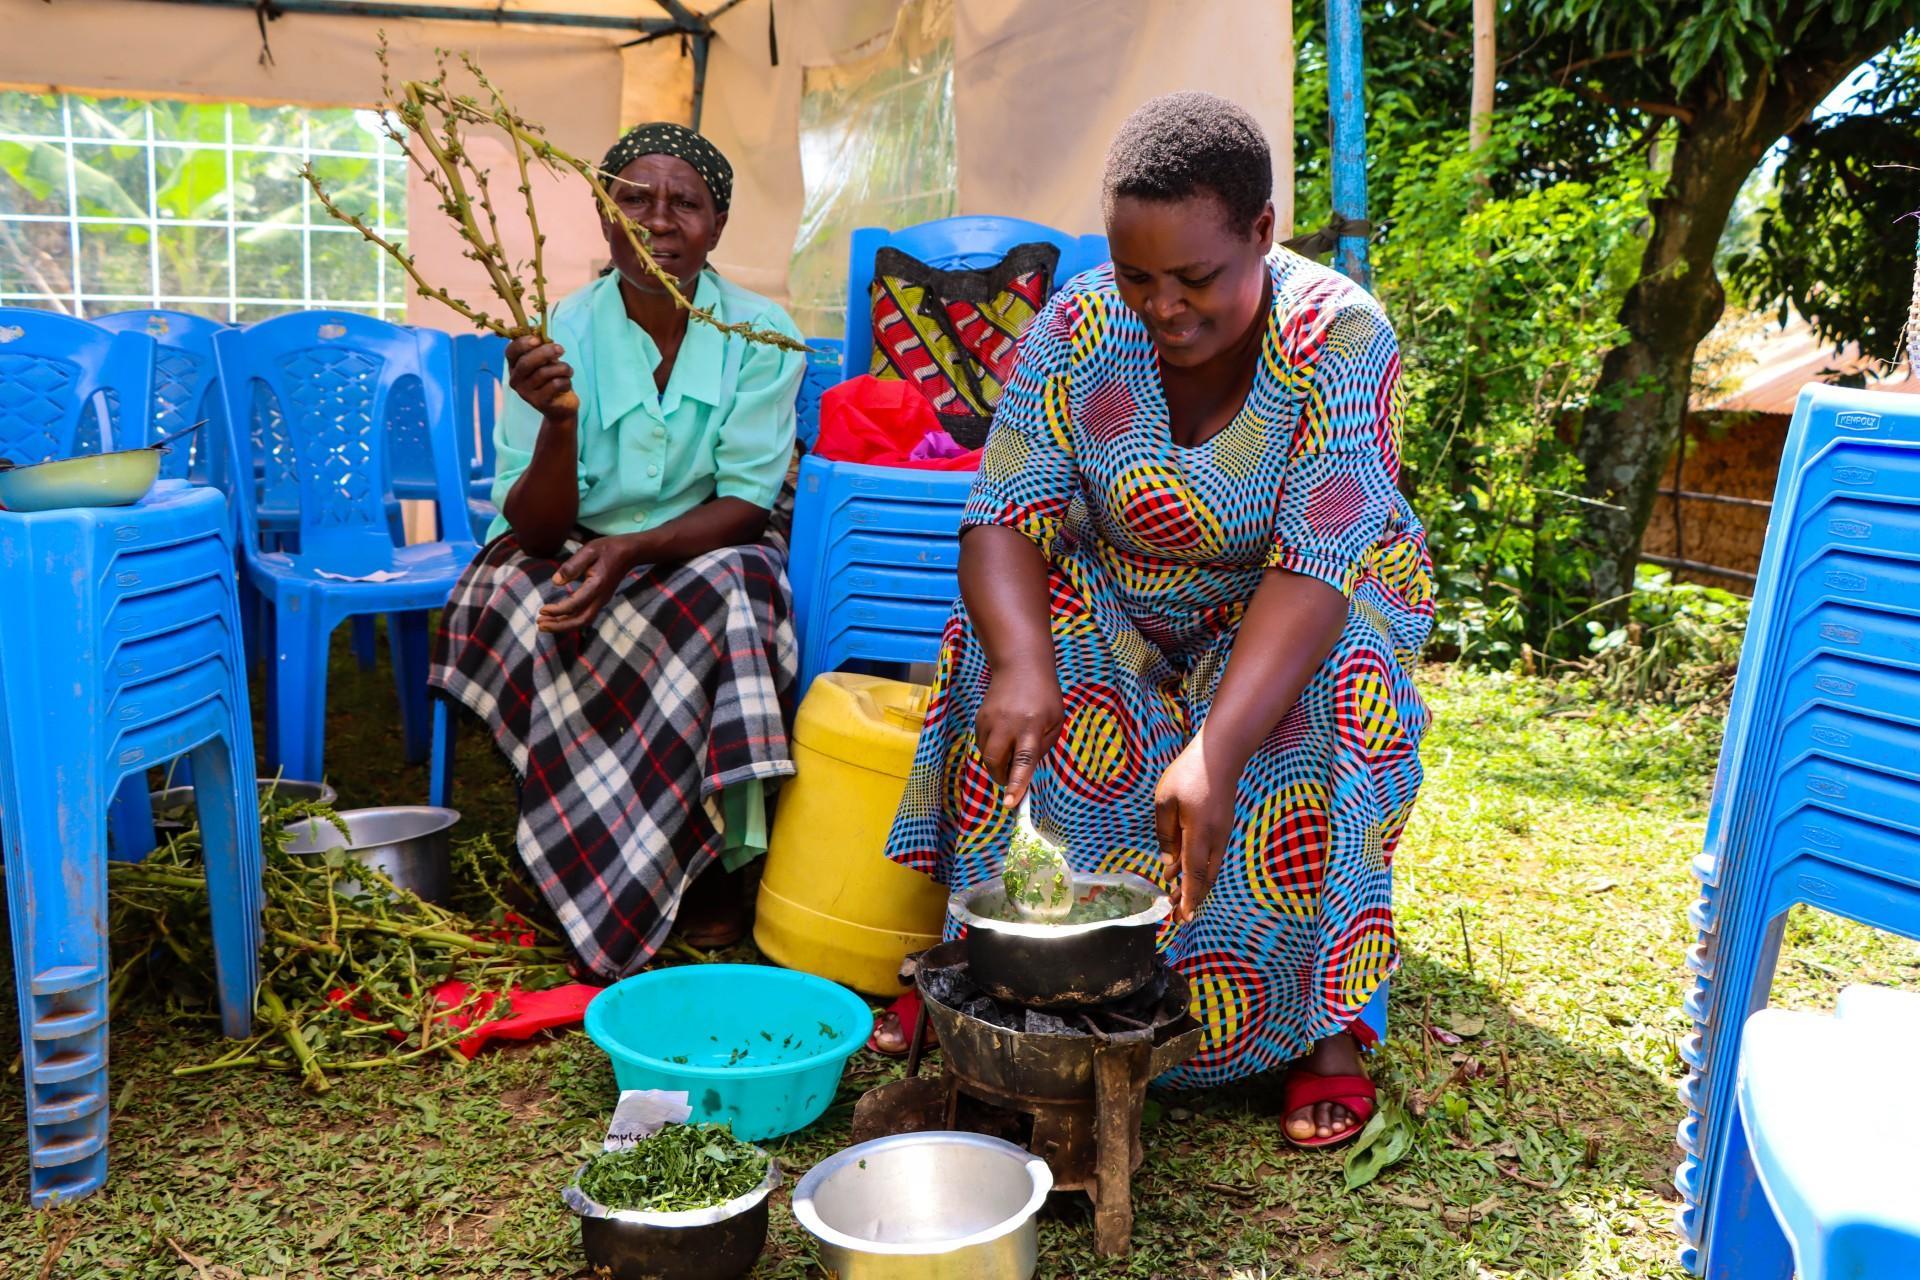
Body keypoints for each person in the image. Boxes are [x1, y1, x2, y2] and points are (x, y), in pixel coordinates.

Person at [883, 92, 1432, 1147]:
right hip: (1127, 598)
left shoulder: (1344, 338)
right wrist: (1023, 664)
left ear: (1264, 235)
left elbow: (1318, 561)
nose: (1164, 307)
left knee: (1344, 672)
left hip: (1296, 603)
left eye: (1197, 278)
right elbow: (1003, 512)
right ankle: (987, 967)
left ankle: (1324, 1021)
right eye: (1138, 275)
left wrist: (1216, 748)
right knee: (999, 645)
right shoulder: (1080, 323)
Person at [431, 123, 807, 979]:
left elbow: (747, 502)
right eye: (634, 198)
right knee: (528, 598)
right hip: (567, 536)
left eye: (686, 203)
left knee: (735, 594)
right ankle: (566, 851)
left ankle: (707, 857)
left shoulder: (762, 332)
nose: (658, 220)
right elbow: (530, 530)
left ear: (717, 226)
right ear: (606, 214)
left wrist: (634, 552)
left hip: (701, 540)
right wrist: (558, 422)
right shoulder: (555, 332)